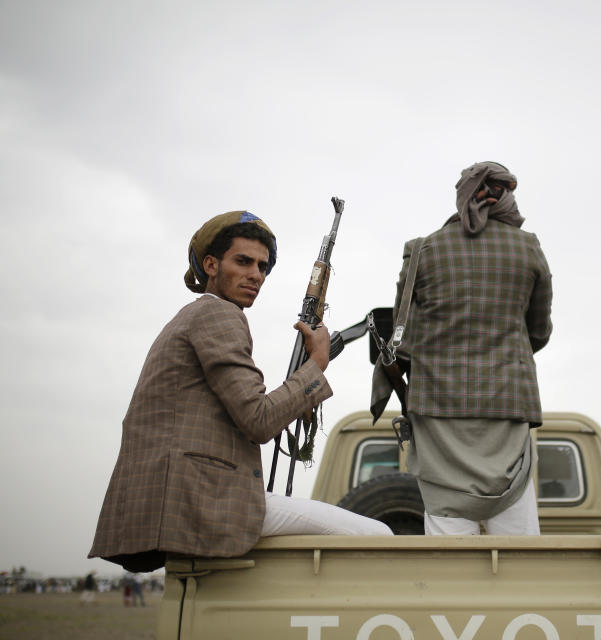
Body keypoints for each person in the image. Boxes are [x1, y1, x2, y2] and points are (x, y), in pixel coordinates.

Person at [89, 211, 391, 573]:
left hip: (178, 501)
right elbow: (259, 419)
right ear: (211, 265)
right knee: (379, 536)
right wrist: (318, 364)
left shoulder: (192, 316)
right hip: (205, 501)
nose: (256, 275)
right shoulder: (218, 315)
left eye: (263, 267)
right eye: (244, 262)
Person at [393, 161, 552, 536]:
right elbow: (539, 332)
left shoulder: (422, 250)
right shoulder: (528, 247)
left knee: (447, 536)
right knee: (517, 538)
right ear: (506, 195)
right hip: (508, 406)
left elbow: (405, 337)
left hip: (437, 409)